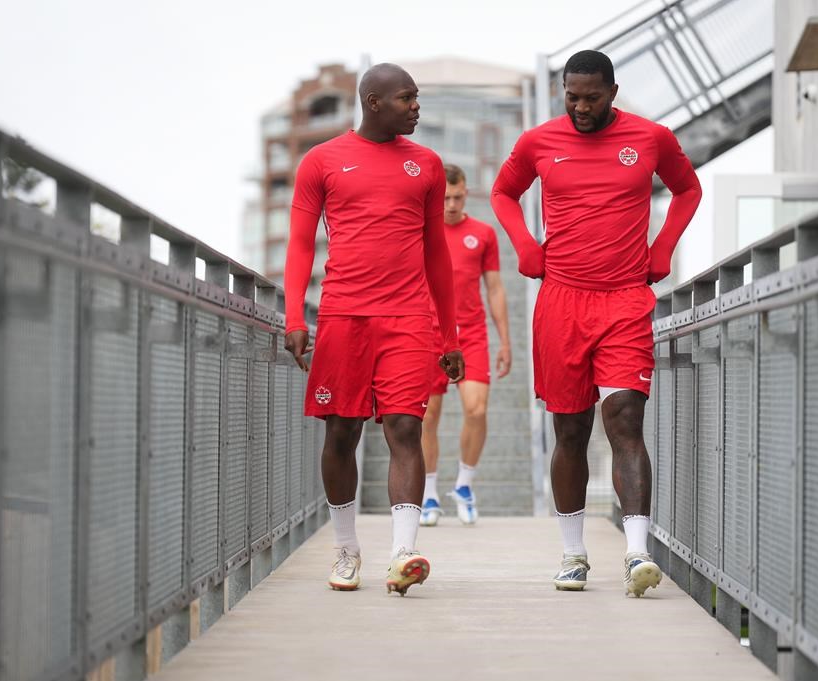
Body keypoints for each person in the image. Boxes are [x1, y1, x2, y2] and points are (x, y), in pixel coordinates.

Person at [490, 49, 701, 596]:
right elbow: (503, 192)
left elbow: (688, 189)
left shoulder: (650, 138)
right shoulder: (539, 142)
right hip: (561, 301)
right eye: (572, 97)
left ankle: (635, 554)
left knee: (625, 419)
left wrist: (662, 248)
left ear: (612, 91)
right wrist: (526, 246)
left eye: (592, 97)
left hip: (625, 299)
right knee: (571, 430)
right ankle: (573, 553)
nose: (581, 107)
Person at [283, 63, 464, 596]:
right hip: (343, 315)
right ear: (373, 102)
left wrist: (449, 336)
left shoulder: (427, 165)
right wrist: (297, 317)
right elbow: (298, 244)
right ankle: (345, 547)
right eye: (407, 98)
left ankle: (403, 552)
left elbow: (437, 255)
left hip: (409, 318)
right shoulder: (321, 161)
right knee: (341, 433)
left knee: (405, 429)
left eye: (417, 98)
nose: (416, 107)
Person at [419, 164, 512, 527]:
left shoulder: (483, 233)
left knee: (476, 409)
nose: (453, 204)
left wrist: (505, 341)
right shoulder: (422, 230)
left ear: (466, 193)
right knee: (427, 414)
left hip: (471, 332)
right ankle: (428, 493)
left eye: (458, 197)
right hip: (428, 332)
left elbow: (495, 288)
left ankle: (463, 485)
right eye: (446, 198)